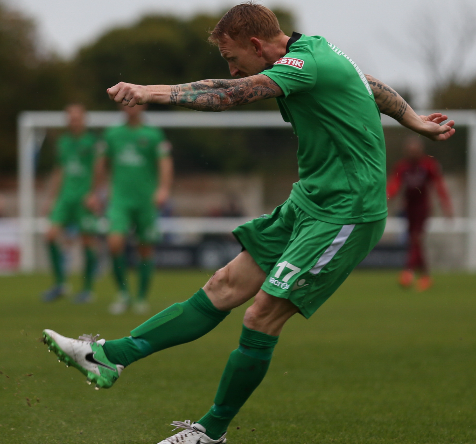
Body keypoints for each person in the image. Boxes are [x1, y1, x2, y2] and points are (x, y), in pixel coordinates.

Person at [42, 4, 455, 444]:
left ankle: (210, 433)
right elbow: (368, 83)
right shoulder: (316, 52)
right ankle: (108, 356)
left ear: (257, 45)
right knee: (223, 286)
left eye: (232, 57)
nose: (231, 67)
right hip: (311, 200)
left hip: (346, 212)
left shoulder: (302, 64)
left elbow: (230, 94)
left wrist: (152, 92)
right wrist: (411, 117)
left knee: (261, 315)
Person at [86, 103, 174, 315]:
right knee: (114, 242)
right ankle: (123, 294)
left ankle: (141, 298)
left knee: (145, 248)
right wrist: (95, 192)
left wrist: (163, 189)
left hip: (145, 200)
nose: (130, 108)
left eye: (134, 103)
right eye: (126, 103)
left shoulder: (153, 134)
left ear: (142, 105)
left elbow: (165, 163)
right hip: (120, 200)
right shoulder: (113, 133)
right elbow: (101, 164)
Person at [40, 104, 101, 304]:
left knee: (87, 241)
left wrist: (94, 194)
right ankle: (60, 284)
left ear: (84, 120)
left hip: (84, 198)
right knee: (49, 236)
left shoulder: (92, 142)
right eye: (70, 118)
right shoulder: (63, 142)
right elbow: (60, 170)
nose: (73, 121)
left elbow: (100, 169)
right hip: (65, 197)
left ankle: (87, 289)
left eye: (77, 118)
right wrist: (51, 198)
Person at [387, 136, 453, 291]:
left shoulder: (428, 165)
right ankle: (425, 276)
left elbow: (439, 186)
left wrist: (446, 207)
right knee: (414, 240)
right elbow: (394, 185)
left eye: (415, 150)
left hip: (423, 208)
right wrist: (386, 198)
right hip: (408, 208)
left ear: (420, 151)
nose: (412, 153)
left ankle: (407, 272)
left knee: (416, 238)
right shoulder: (402, 167)